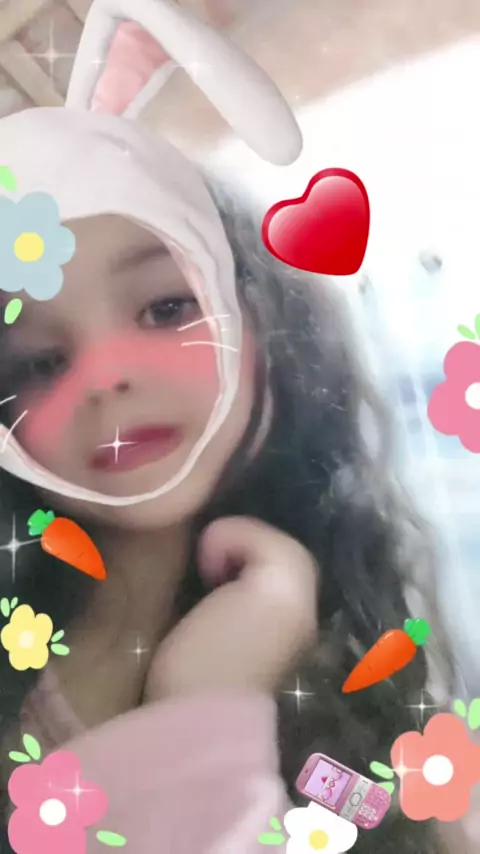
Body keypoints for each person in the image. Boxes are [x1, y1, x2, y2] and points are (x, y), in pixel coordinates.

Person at [0, 0, 460, 852]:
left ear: (260, 325)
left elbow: (383, 820)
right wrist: (204, 707)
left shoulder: (320, 630)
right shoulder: (20, 709)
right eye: (38, 361)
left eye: (166, 307)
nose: (109, 376)